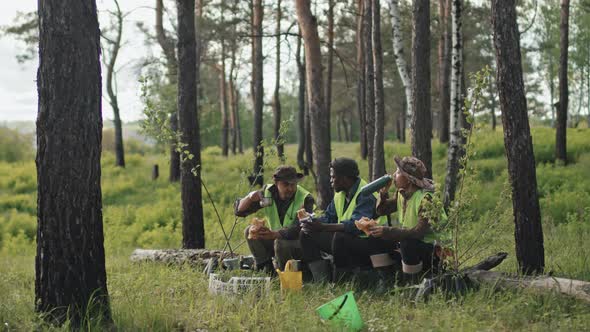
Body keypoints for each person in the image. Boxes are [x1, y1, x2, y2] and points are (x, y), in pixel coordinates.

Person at [299, 157, 388, 282]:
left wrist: (323, 227)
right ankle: (322, 280)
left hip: (373, 245)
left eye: (333, 177)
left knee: (339, 237)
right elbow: (329, 217)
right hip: (349, 242)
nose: (331, 181)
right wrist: (312, 221)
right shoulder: (341, 194)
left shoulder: (366, 193)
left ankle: (340, 282)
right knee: (306, 233)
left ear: (345, 178)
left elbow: (357, 226)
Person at [370, 156, 447, 283]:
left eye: (398, 172)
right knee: (376, 236)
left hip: (438, 252)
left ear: (409, 179)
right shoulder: (403, 193)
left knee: (407, 242)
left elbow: (418, 232)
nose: (394, 175)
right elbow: (382, 211)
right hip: (419, 246)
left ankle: (412, 283)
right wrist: (383, 194)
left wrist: (388, 231)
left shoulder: (426, 199)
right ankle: (387, 280)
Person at [235, 165, 314, 272]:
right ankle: (266, 269)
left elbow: (298, 229)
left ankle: (286, 274)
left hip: (298, 244)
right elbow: (240, 212)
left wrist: (274, 234)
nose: (290, 188)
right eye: (286, 184)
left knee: (280, 243)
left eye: (293, 184)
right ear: (276, 183)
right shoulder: (268, 193)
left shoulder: (305, 198)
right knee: (250, 231)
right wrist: (250, 197)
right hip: (276, 238)